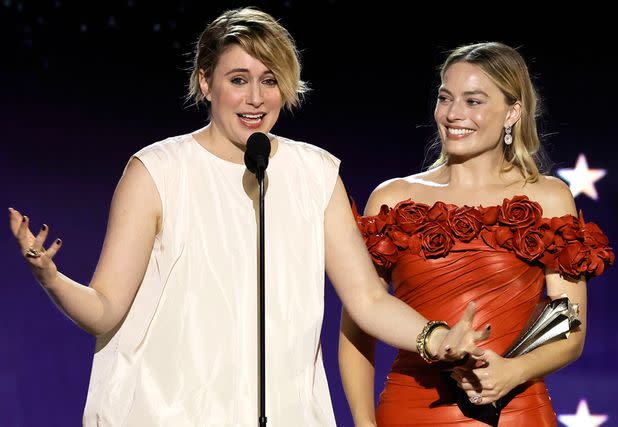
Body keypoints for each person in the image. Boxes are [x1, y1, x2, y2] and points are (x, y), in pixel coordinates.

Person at [8, 9, 491, 426]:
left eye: (270, 79)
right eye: (238, 80)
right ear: (205, 82)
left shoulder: (314, 173)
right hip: (166, 413)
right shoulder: (157, 171)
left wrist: (437, 337)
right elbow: (105, 310)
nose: (256, 98)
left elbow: (366, 299)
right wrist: (51, 278)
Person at [340, 42, 614, 426]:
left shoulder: (548, 197)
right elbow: (358, 325)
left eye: (474, 101)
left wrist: (513, 373)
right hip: (408, 412)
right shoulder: (393, 198)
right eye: (445, 98)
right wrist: (364, 423)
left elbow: (570, 332)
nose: (453, 114)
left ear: (512, 112)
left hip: (516, 412)